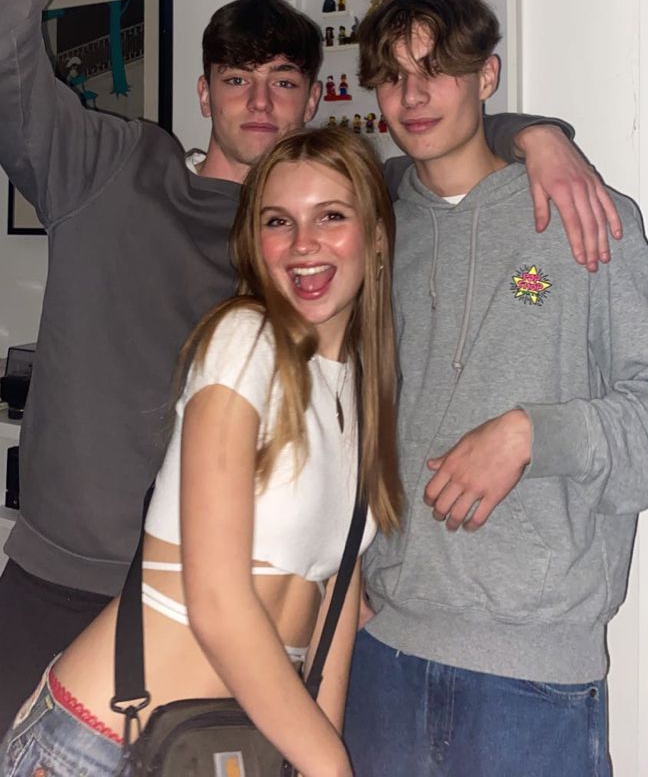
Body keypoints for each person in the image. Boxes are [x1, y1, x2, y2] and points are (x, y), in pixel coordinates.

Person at [0, 0, 620, 728]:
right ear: (203, 90)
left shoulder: (343, 221)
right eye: (236, 78)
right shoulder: (110, 172)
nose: (258, 99)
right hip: (65, 583)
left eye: (282, 79)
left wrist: (529, 136)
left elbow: (444, 144)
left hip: (244, 615)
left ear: (311, 97)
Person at [0, 126, 403, 776]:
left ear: (377, 237)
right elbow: (217, 602)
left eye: (330, 216)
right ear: (254, 241)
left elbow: (335, 615)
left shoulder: (359, 390)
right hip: (103, 746)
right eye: (278, 221)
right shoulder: (244, 341)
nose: (303, 244)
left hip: (218, 751)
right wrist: (330, 764)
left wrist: (314, 756)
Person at [344, 0, 648, 777]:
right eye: (390, 76)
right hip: (379, 652)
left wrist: (530, 434)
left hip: (532, 675)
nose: (411, 97)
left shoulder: (590, 214)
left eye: (436, 70)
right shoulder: (368, 229)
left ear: (488, 77)